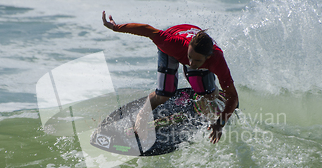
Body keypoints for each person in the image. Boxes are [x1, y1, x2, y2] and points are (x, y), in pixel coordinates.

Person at [102, 11, 238, 144]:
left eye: (196, 60)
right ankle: (142, 115)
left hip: (198, 46)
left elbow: (233, 97)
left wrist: (220, 124)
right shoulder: (173, 44)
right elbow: (147, 30)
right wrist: (116, 27)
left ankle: (211, 91)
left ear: (208, 57)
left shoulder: (217, 60)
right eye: (189, 57)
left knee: (208, 95)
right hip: (174, 46)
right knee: (164, 94)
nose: (190, 63)